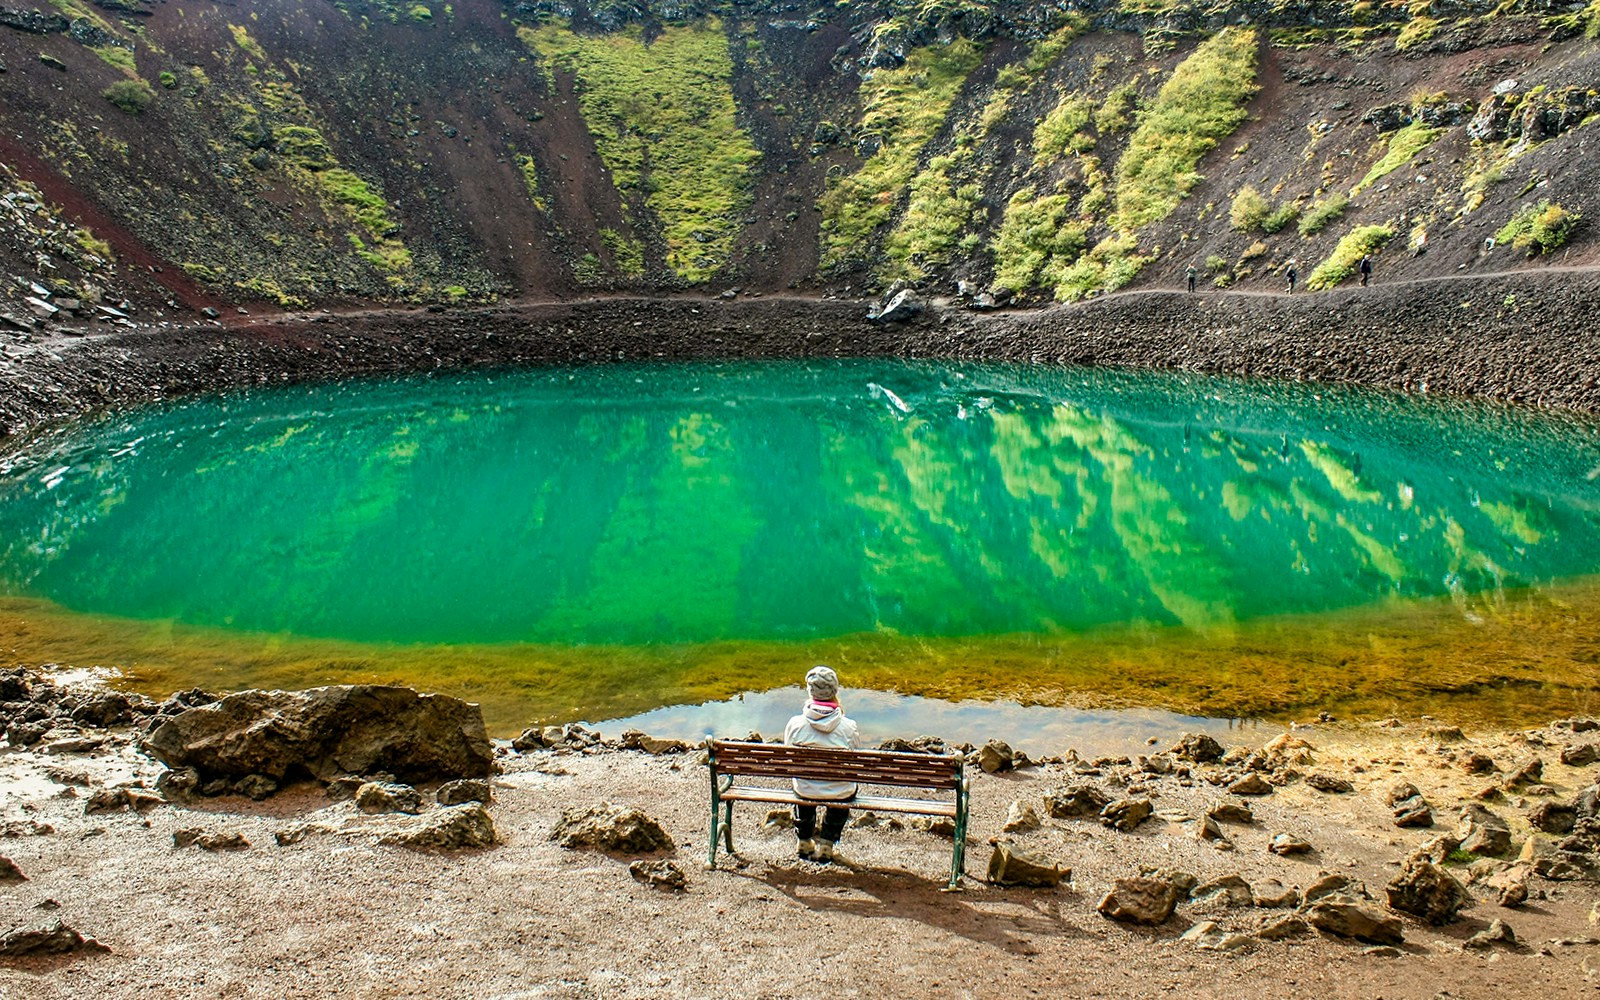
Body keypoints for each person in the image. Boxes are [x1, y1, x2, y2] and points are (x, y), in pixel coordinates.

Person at [784, 665, 860, 863]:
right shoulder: (848, 727)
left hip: (806, 788)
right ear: (834, 692)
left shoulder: (795, 724)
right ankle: (826, 843)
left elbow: (788, 757)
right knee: (844, 789)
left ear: (810, 692)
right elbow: (855, 759)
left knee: (802, 783)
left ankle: (804, 839)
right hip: (839, 790)